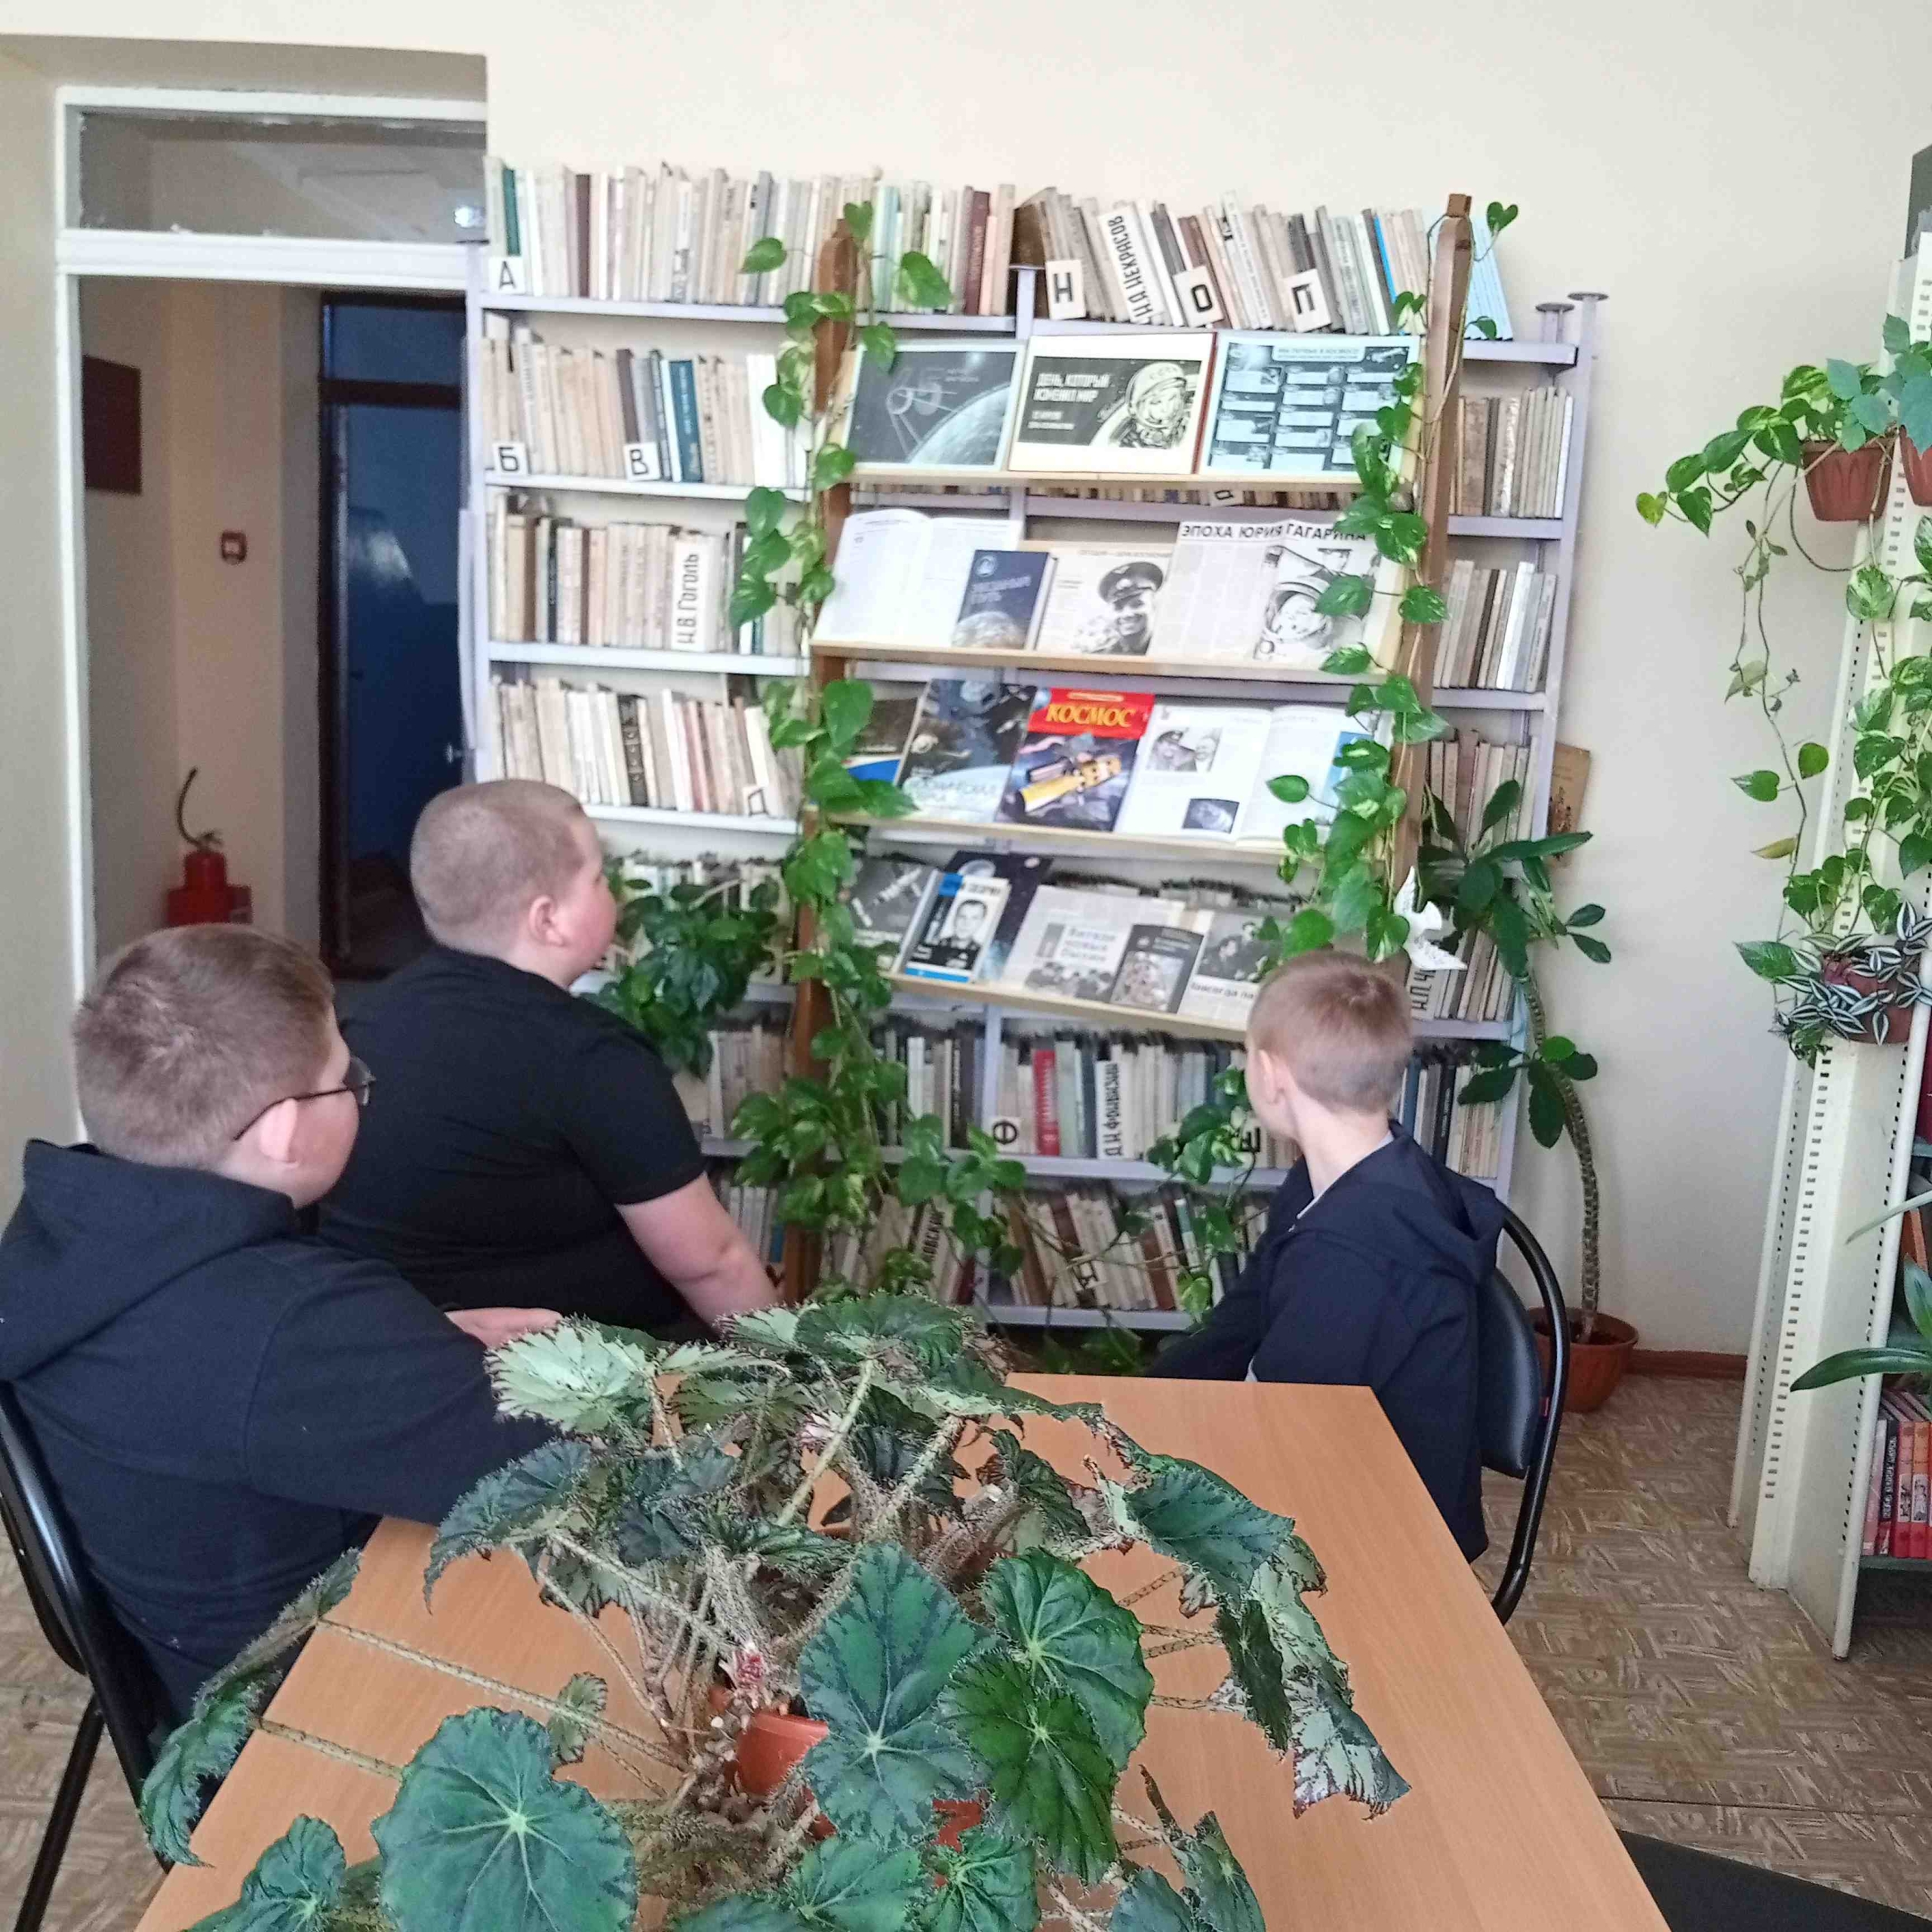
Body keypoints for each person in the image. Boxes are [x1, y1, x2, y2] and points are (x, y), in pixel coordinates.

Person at [0, 927, 555, 1723]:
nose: (357, 1088)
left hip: (184, 1667)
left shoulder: (62, 1239)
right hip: (298, 1718)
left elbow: (218, 1381)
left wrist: (408, 1354)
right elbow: (556, 1470)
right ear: (285, 1131)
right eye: (345, 1078)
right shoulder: (295, 1322)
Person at [319, 780, 777, 1334]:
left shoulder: (361, 1021)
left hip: (391, 1338)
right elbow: (712, 1264)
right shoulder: (594, 1059)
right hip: (574, 1367)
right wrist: (801, 1369)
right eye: (599, 879)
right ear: (548, 920)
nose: (614, 894)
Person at [1152, 949, 1499, 1559]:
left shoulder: (1352, 1256)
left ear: (1270, 1074)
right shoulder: (1335, 1180)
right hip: (1336, 1470)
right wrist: (1131, 1407)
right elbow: (1241, 1323)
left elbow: (1276, 1432)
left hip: (1380, 1539)